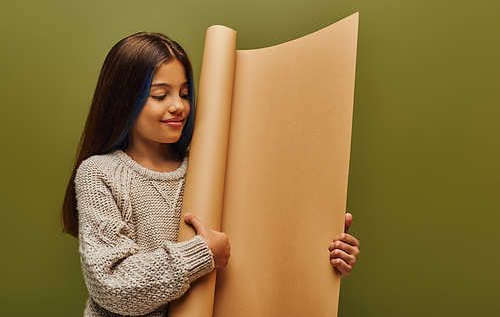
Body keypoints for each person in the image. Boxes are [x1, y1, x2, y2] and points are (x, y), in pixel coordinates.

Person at [61, 32, 360, 317]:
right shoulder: (99, 173)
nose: (178, 106)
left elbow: (261, 253)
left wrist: (325, 260)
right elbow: (111, 285)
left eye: (185, 93)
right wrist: (200, 253)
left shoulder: (210, 170)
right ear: (124, 100)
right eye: (160, 95)